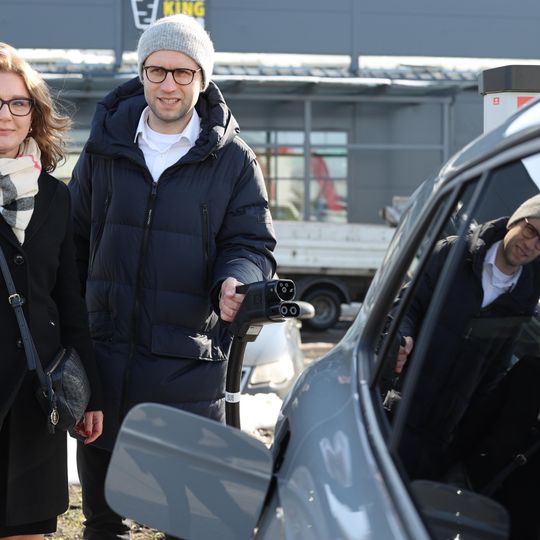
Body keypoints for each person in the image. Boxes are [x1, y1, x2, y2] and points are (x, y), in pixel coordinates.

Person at [69, 14, 276, 540]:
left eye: (183, 73)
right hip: (104, 358)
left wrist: (236, 280)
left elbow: (252, 244)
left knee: (186, 523)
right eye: (157, 70)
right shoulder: (104, 148)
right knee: (102, 525)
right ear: (141, 73)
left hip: (185, 364)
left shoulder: (233, 160)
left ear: (202, 79)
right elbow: (72, 241)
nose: (168, 85)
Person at [0, 42, 103, 539]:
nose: (6, 114)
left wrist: (90, 392)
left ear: (34, 114)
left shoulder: (55, 197)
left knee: (27, 529)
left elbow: (68, 300)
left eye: (17, 103)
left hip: (35, 394)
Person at [391, 194, 540, 480]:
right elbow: (408, 307)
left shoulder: (526, 293)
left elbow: (496, 366)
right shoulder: (452, 254)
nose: (531, 244)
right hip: (400, 406)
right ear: (514, 221)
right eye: (530, 230)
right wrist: (402, 338)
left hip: (445, 434)